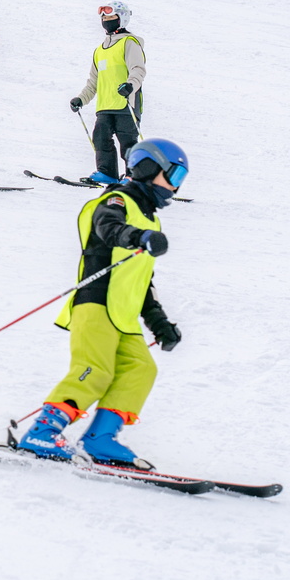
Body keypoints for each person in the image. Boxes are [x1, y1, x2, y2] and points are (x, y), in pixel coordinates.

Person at [14, 139, 188, 466]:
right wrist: (139, 237)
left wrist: (161, 326)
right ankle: (43, 431)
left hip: (122, 315)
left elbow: (142, 284)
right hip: (95, 304)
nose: (175, 186)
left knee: (140, 368)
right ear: (149, 168)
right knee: (94, 370)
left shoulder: (150, 219)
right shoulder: (117, 200)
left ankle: (100, 439)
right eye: (174, 175)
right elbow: (107, 227)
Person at [69, 1, 145, 185]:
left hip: (126, 102)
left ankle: (133, 176)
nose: (106, 21)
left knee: (128, 141)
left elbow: (138, 70)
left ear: (122, 19)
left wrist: (130, 85)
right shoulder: (99, 51)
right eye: (104, 18)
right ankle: (107, 172)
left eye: (111, 17)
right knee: (100, 137)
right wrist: (81, 99)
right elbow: (93, 82)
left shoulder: (129, 43)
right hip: (105, 105)